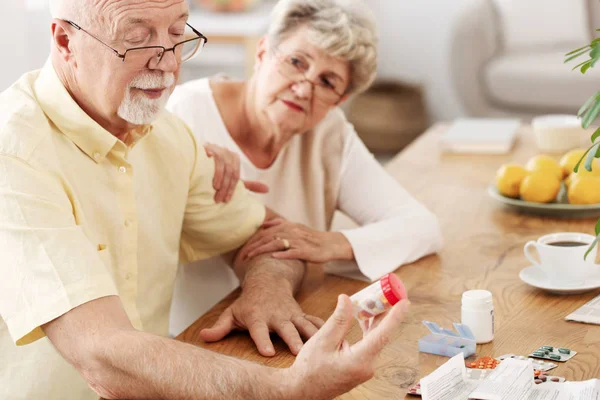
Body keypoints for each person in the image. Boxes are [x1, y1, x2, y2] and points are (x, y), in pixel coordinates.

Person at [0, 0, 410, 399]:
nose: (166, 62)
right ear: (66, 41)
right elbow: (102, 356)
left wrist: (265, 288)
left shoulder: (170, 138)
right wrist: (287, 388)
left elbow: (270, 236)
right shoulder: (14, 150)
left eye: (177, 33)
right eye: (138, 39)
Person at [167, 0, 443, 336]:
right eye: (296, 62)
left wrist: (331, 243)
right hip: (193, 331)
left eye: (327, 82)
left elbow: (422, 227)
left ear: (339, 100)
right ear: (262, 52)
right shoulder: (185, 112)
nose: (303, 88)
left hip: (293, 317)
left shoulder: (329, 133)